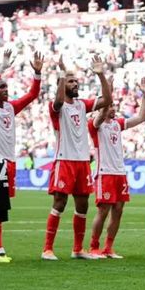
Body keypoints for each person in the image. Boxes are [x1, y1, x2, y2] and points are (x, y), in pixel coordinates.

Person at [41, 55, 112, 261]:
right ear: (62, 85)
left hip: (82, 162)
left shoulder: (82, 105)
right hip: (64, 160)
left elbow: (107, 100)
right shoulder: (58, 107)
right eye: (71, 81)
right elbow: (57, 101)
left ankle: (78, 249)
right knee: (60, 203)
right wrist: (63, 72)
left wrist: (100, 74)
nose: (75, 84)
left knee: (83, 205)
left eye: (75, 81)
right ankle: (47, 249)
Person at [0, 50, 43, 263]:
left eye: (6, 86)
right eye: (2, 87)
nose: (6, 90)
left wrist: (37, 74)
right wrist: (2, 67)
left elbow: (32, 95)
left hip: (9, 161)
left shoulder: (11, 107)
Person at [88, 77, 145, 259]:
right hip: (104, 173)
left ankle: (109, 248)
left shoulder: (117, 124)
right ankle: (94, 247)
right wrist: (108, 91)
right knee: (103, 210)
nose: (114, 108)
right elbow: (100, 116)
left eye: (115, 106)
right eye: (111, 105)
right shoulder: (95, 125)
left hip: (119, 173)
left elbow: (141, 117)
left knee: (118, 210)